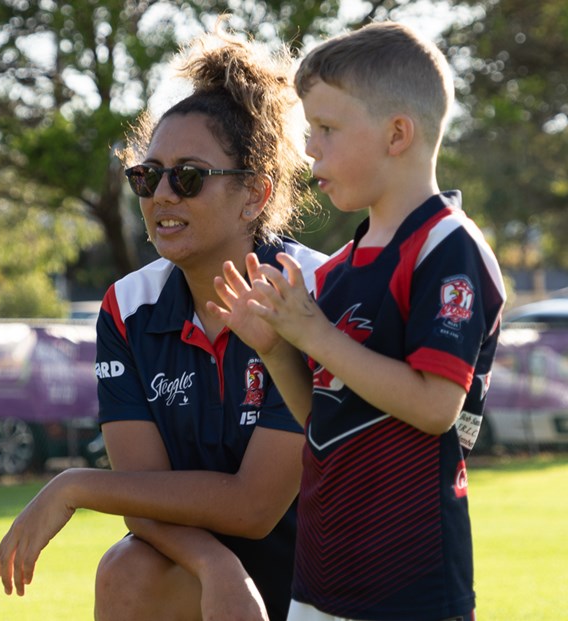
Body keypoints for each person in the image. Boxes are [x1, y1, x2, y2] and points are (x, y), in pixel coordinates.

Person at [0, 27, 327, 621]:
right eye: (148, 176)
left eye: (189, 176)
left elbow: (254, 508)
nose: (162, 195)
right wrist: (214, 565)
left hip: (338, 581)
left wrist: (75, 484)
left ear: (255, 195)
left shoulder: (314, 291)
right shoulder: (127, 308)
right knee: (128, 569)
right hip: (215, 582)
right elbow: (143, 493)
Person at [208, 21, 506, 621]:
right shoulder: (340, 269)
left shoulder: (448, 248)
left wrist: (314, 333)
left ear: (398, 133)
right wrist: (274, 348)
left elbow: (434, 406)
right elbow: (326, 418)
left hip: (412, 589)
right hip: (320, 583)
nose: (310, 147)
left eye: (327, 128)